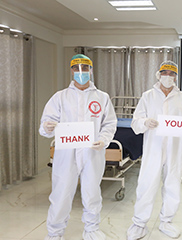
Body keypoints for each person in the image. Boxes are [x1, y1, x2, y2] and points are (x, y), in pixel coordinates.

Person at [39, 54, 117, 240]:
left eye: (85, 67)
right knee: (61, 193)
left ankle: (91, 228)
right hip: (66, 154)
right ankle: (55, 233)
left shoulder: (102, 97)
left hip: (92, 152)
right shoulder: (60, 97)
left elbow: (110, 123)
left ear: (91, 70)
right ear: (71, 71)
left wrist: (104, 140)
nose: (81, 71)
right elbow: (45, 125)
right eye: (76, 68)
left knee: (92, 192)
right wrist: (47, 126)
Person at [127, 61, 182, 240]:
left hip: (175, 148)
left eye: (172, 73)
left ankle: (166, 221)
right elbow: (135, 123)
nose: (168, 76)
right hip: (154, 147)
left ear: (175, 76)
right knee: (147, 184)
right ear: (159, 75)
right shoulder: (148, 96)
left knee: (173, 183)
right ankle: (139, 223)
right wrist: (145, 122)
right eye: (164, 72)